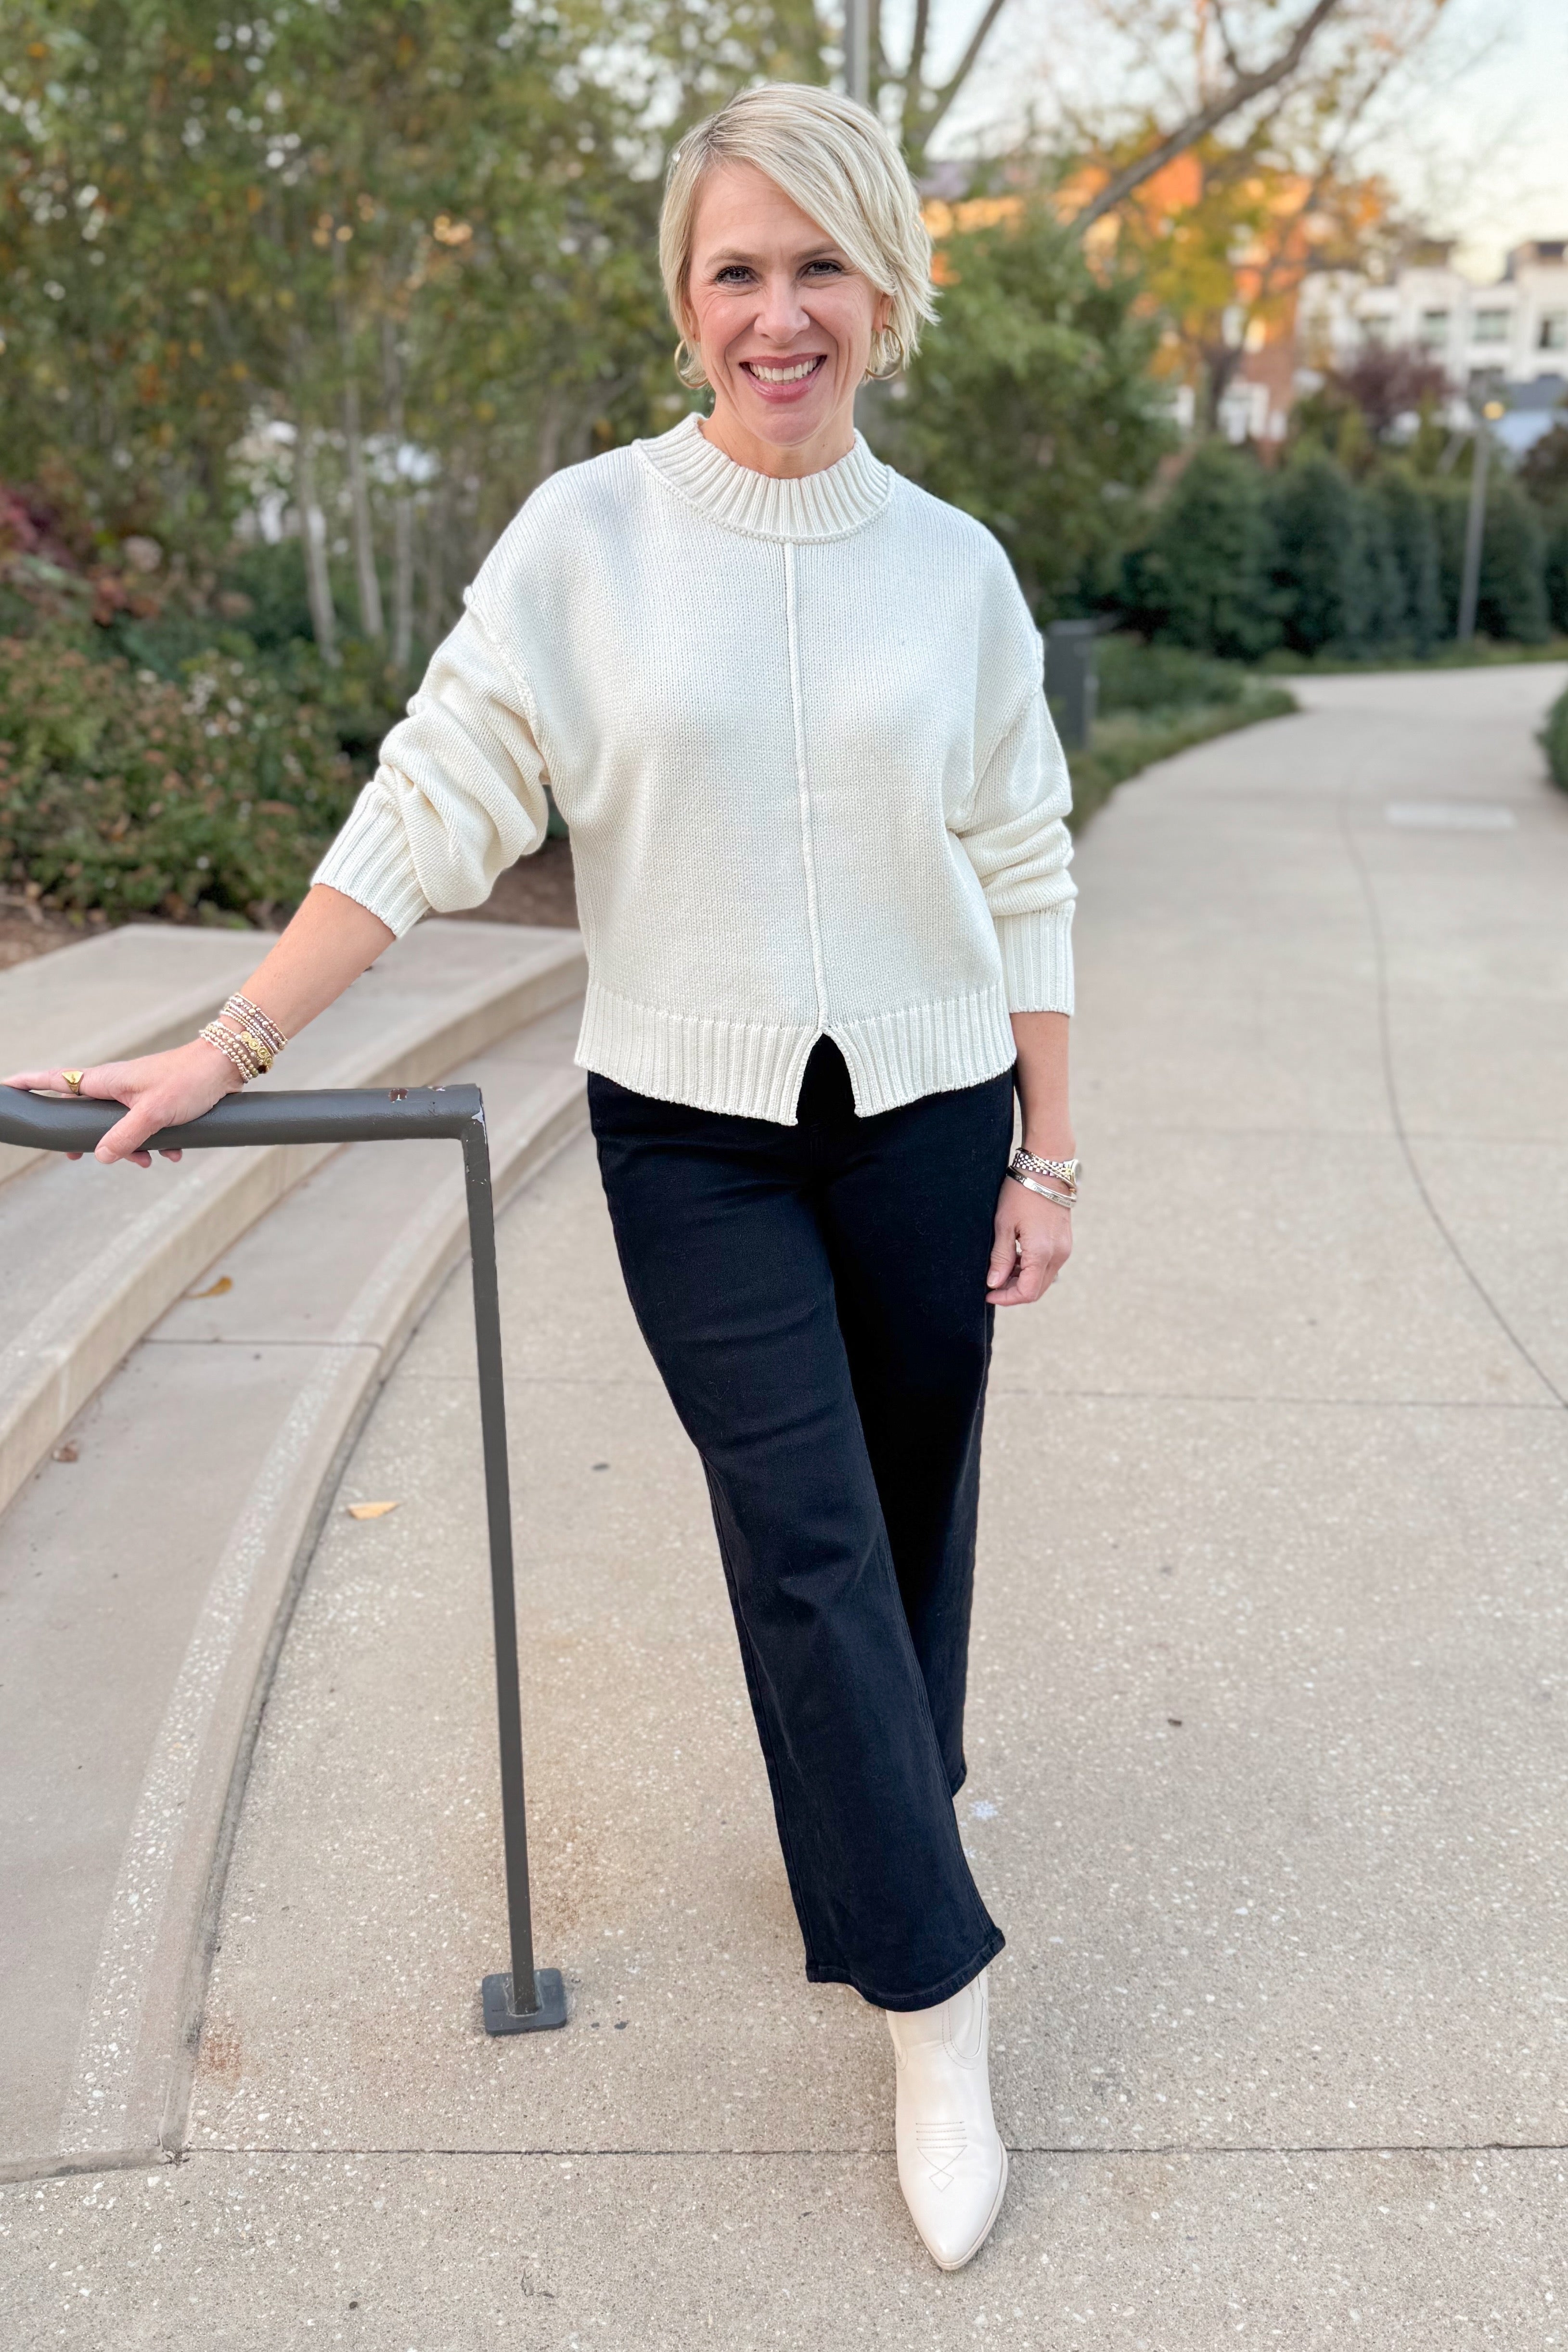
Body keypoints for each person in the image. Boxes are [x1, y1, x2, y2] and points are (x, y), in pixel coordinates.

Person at [5, 83, 1077, 2273]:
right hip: (691, 1138)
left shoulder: (952, 568)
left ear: (885, 287)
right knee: (799, 1537)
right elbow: (432, 803)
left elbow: (1023, 858)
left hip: (933, 1108)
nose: (777, 314)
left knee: (909, 1505)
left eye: (815, 266)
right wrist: (231, 1039)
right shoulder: (585, 539)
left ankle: (879, 1812)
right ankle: (932, 1997)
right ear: (683, 303)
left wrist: (1053, 1147)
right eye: (732, 271)